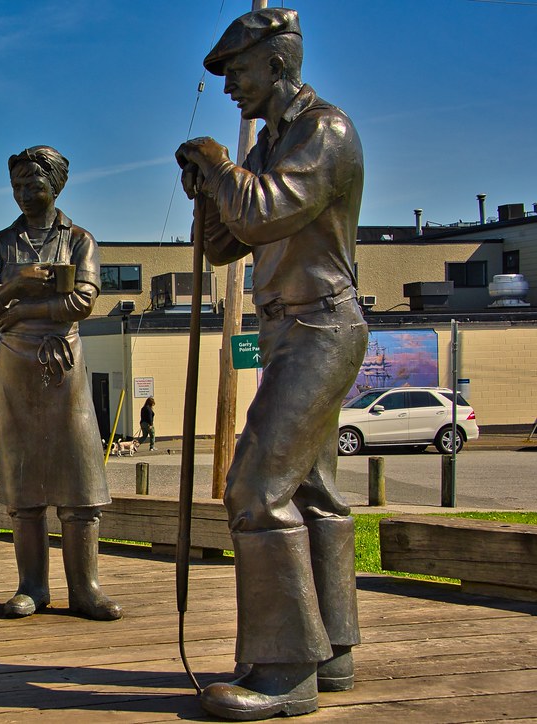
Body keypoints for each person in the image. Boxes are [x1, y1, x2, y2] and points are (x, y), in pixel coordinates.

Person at [175, 8, 367, 720]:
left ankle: (286, 673)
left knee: (255, 489)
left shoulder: (325, 131)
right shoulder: (267, 145)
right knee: (310, 490)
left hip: (320, 324)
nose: (228, 87)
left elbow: (262, 215)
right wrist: (206, 191)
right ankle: (331, 651)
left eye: (237, 71)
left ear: (276, 66)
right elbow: (227, 245)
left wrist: (222, 167)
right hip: (292, 328)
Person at [0, 146, 122, 621]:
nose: (23, 195)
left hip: (64, 361)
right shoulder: (0, 243)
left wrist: (16, 311)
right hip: (15, 367)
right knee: (24, 480)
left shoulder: (80, 240)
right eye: (16, 187)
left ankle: (86, 588)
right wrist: (16, 287)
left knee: (79, 476)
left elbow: (82, 302)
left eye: (32, 186)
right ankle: (32, 586)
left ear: (56, 186)